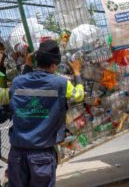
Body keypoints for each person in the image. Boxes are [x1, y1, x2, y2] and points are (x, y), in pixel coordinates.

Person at [5, 39, 84, 187]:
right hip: (41, 156)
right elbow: (79, 95)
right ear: (54, 65)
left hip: (17, 154)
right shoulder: (61, 84)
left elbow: (23, 84)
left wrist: (27, 66)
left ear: (36, 61)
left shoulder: (17, 82)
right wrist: (77, 73)